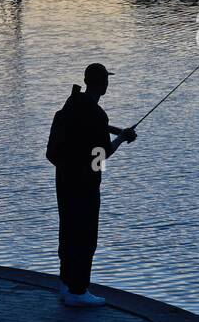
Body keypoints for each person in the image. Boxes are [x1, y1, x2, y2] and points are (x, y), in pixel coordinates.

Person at [46, 62, 137, 306]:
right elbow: (103, 154)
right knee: (85, 236)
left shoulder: (73, 102)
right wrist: (120, 139)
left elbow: (88, 126)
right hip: (85, 183)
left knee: (67, 230)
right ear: (103, 84)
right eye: (106, 80)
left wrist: (118, 131)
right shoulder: (97, 114)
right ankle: (79, 291)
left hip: (63, 179)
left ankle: (66, 284)